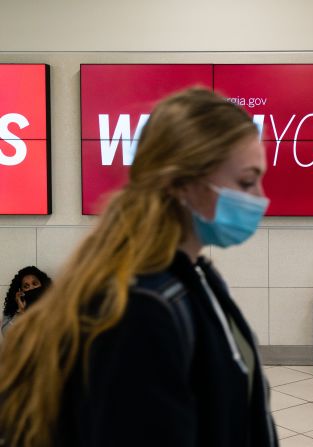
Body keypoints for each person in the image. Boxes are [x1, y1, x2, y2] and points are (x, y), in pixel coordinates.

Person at [0, 88, 278, 446]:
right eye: (245, 181)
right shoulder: (142, 310)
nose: (260, 198)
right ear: (182, 184)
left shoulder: (197, 278)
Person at [1, 266, 52, 336]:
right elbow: (6, 334)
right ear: (21, 291)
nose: (31, 288)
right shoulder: (11, 310)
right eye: (26, 286)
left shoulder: (53, 305)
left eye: (35, 284)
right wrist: (20, 311)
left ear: (42, 285)